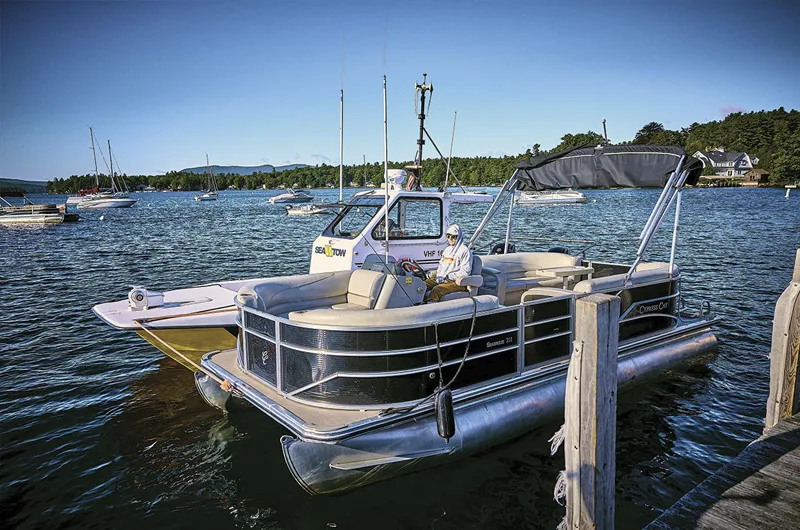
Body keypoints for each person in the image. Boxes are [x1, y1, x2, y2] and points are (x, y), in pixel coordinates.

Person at [424, 224, 472, 302]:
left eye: (453, 237)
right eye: (448, 236)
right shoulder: (447, 250)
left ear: (458, 236)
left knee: (437, 290)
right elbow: (441, 266)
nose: (450, 239)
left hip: (457, 283)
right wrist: (439, 276)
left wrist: (448, 277)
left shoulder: (465, 251)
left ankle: (430, 308)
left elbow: (465, 272)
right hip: (442, 279)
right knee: (423, 284)